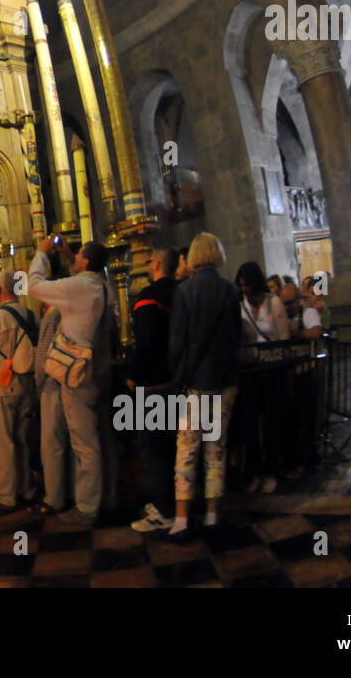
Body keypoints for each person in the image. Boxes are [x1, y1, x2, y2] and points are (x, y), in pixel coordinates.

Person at [28, 237, 112, 525]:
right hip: (88, 370)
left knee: (85, 444)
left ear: (86, 262)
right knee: (82, 441)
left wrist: (41, 254)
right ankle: (83, 501)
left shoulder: (80, 287)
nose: (74, 258)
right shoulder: (99, 284)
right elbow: (76, 279)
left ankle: (87, 508)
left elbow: (34, 285)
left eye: (78, 255)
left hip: (76, 374)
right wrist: (65, 254)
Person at [167, 231, 240, 542]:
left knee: (186, 450)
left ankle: (182, 520)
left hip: (196, 384)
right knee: (216, 449)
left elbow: (177, 343)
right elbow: (236, 336)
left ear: (194, 256)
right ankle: (212, 516)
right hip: (225, 381)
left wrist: (178, 374)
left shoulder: (185, 292)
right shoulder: (230, 290)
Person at [0, 271, 40, 509]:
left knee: (2, 443)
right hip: (27, 383)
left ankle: (6, 495)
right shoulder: (32, 316)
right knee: (22, 440)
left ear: (0, 291)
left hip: (1, 386)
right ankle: (26, 488)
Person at [128, 247, 180, 532]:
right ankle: (174, 502)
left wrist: (133, 375)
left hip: (152, 387)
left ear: (157, 264)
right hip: (178, 382)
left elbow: (146, 344)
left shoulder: (148, 298)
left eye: (150, 261)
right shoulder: (183, 294)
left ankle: (165, 510)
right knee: (173, 449)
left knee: (153, 451)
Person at [235, 261, 291, 493]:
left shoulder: (274, 303)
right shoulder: (241, 305)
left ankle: (272, 468)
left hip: (272, 371)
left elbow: (283, 337)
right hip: (250, 372)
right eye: (241, 286)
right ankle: (254, 470)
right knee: (250, 423)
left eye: (247, 284)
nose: (245, 289)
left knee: (272, 421)